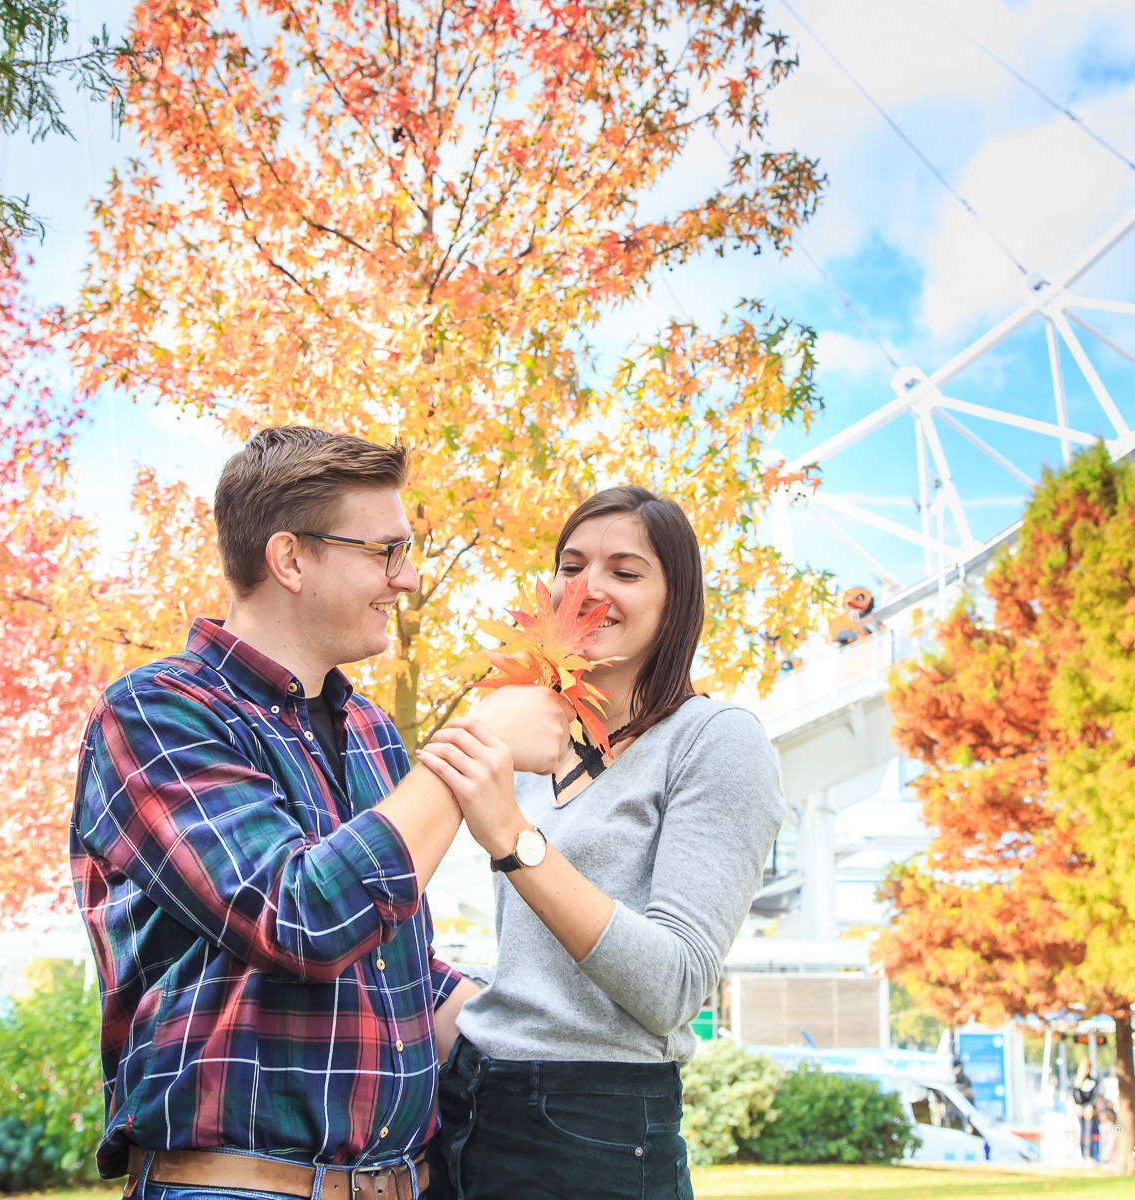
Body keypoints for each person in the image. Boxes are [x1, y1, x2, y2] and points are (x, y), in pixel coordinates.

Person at [70, 427, 570, 1199]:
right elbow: (298, 918)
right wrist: (479, 742)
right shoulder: (155, 713)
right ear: (291, 559)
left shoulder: (371, 732)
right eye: (385, 551)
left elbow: (395, 969)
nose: (406, 579)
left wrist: (558, 1026)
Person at [413, 486, 785, 1200]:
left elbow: (674, 985)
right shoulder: (533, 735)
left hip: (594, 1127)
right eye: (571, 565)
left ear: (676, 600)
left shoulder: (715, 740)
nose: (589, 589)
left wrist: (515, 841)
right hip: (468, 1101)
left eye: (625, 570)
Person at [1071, 1058, 1098, 1166]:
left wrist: (1090, 1107)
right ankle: (1082, 1155)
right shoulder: (1076, 1081)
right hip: (1080, 1109)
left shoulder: (1092, 1081)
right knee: (1081, 1132)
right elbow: (1074, 1094)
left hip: (1089, 1109)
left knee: (1089, 1132)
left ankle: (1089, 1156)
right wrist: (1078, 1106)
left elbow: (1094, 1096)